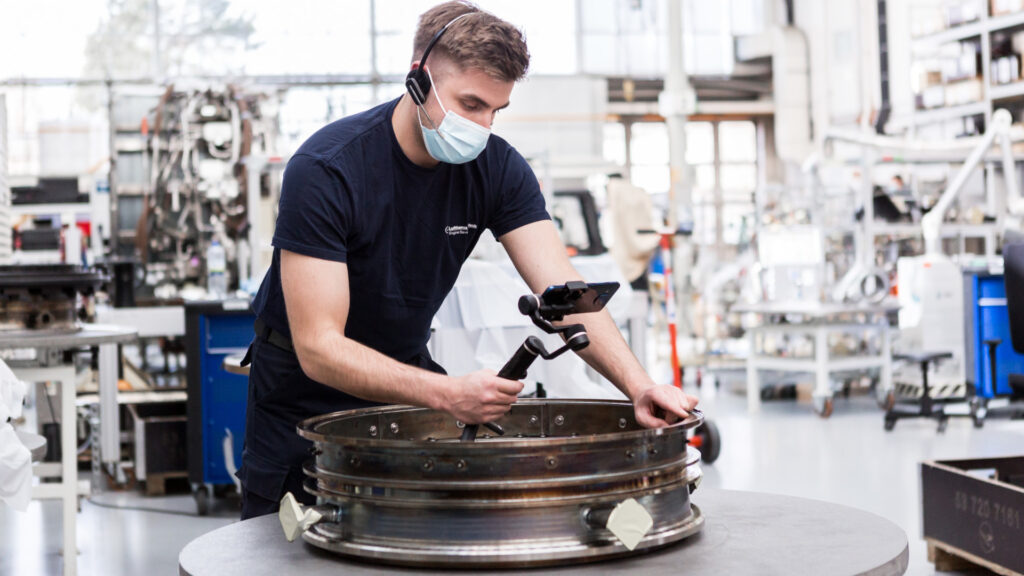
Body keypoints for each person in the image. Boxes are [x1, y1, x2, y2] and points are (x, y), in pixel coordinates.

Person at [238, 0, 699, 520]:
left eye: (495, 111)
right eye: (471, 104)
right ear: (418, 80)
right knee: (287, 552)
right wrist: (447, 392)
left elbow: (566, 292)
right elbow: (319, 348)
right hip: (302, 400)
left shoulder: (497, 168)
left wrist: (640, 387)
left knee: (403, 540)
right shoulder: (327, 169)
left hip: (406, 389)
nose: (482, 126)